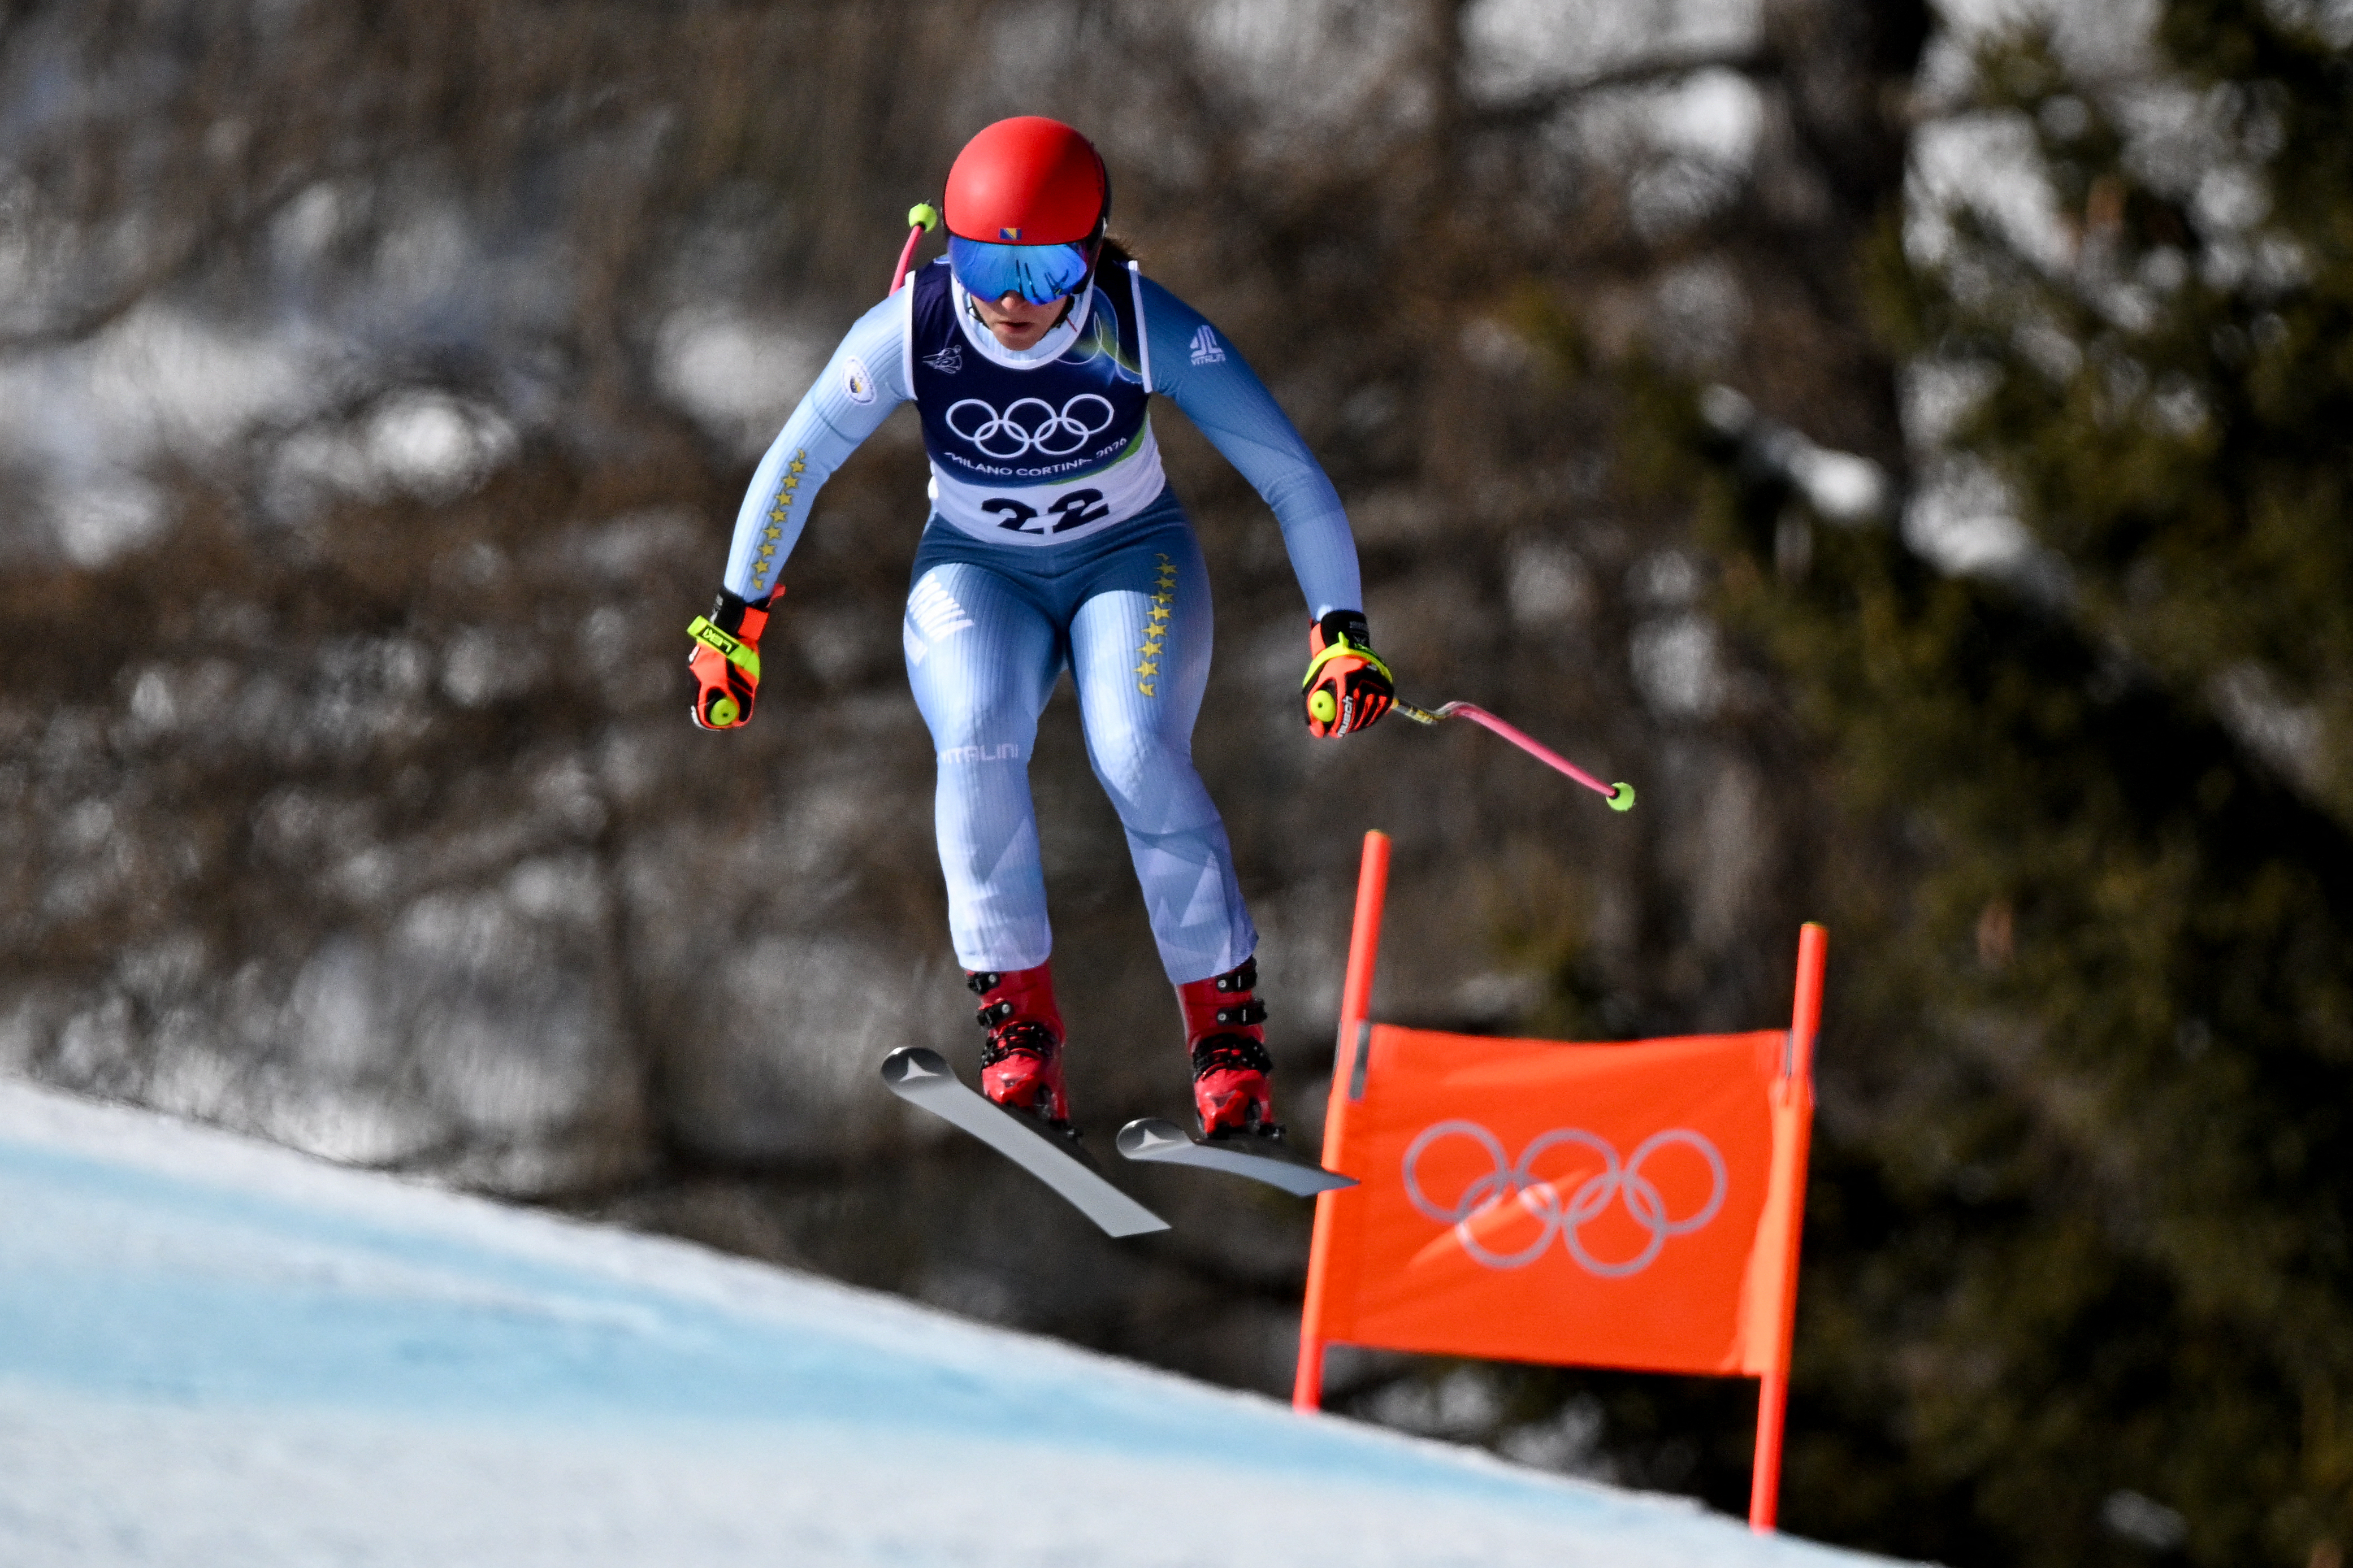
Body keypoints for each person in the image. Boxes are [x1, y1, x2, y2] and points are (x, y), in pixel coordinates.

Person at [686, 116, 1393, 1143]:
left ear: (1096, 253)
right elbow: (798, 458)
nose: (1014, 300)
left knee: (1136, 749)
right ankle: (1018, 1031)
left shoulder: (1143, 324)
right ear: (949, 252)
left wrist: (1341, 628)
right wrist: (734, 619)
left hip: (1130, 562)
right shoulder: (913, 325)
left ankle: (1227, 1045)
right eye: (984, 264)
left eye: (1050, 268)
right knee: (974, 736)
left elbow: (1288, 471)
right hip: (979, 573)